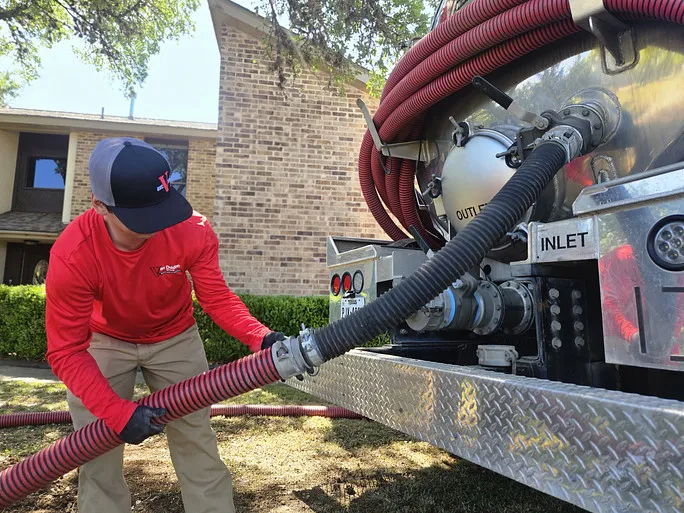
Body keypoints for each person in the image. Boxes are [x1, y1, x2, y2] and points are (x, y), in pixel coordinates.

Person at [45, 137, 286, 513]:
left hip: (176, 338)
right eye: (143, 217)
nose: (158, 226)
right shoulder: (73, 254)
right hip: (104, 341)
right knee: (97, 450)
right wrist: (119, 412)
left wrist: (261, 337)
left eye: (162, 208)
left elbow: (215, 296)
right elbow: (66, 350)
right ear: (99, 206)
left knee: (196, 440)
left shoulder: (191, 229)